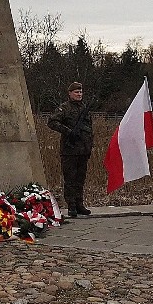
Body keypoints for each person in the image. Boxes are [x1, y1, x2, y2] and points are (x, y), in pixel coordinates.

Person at [48, 82, 94, 218]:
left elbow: (89, 128)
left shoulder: (85, 108)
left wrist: (90, 144)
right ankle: (71, 205)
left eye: (80, 92)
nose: (79, 94)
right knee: (70, 179)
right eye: (76, 92)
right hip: (70, 150)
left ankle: (80, 204)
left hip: (83, 149)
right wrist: (68, 132)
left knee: (80, 178)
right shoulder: (64, 108)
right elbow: (52, 122)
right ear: (70, 93)